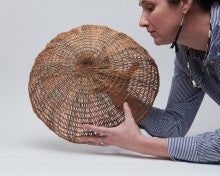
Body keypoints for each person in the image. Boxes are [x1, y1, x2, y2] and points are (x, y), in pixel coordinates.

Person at [79, 0, 220, 164]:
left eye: (150, 8)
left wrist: (141, 144)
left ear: (185, 3)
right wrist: (122, 98)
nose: (142, 21)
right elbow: (174, 125)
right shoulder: (187, 51)